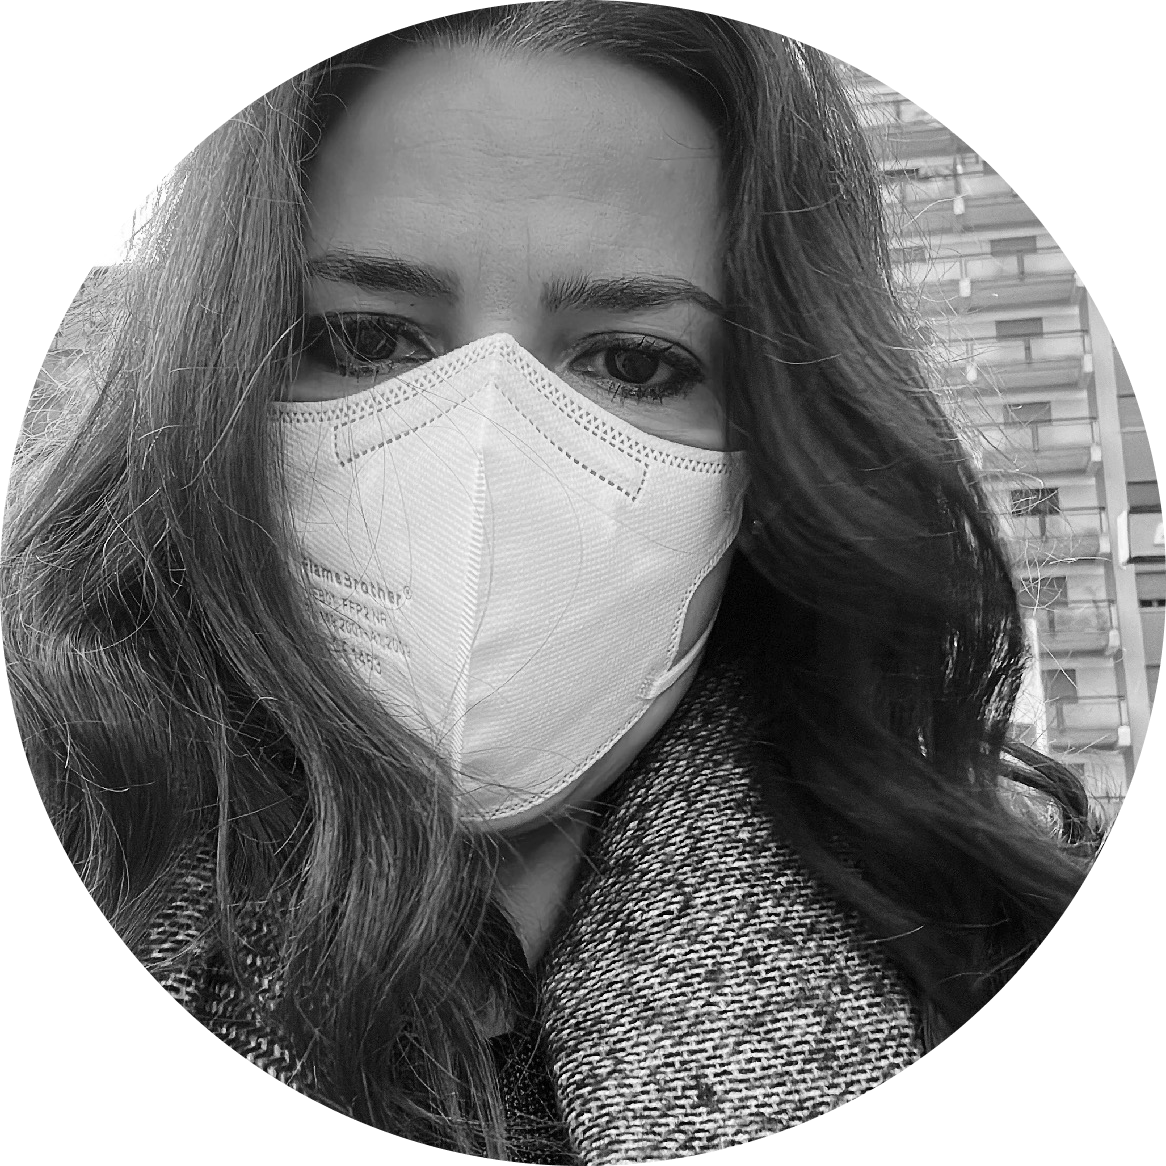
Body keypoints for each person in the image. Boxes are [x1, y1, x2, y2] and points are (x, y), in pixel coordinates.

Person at [3, 6, 1103, 1161]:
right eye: (367, 339)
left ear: (782, 443)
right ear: (209, 381)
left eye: (633, 360)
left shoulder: (977, 950)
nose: (484, 463)